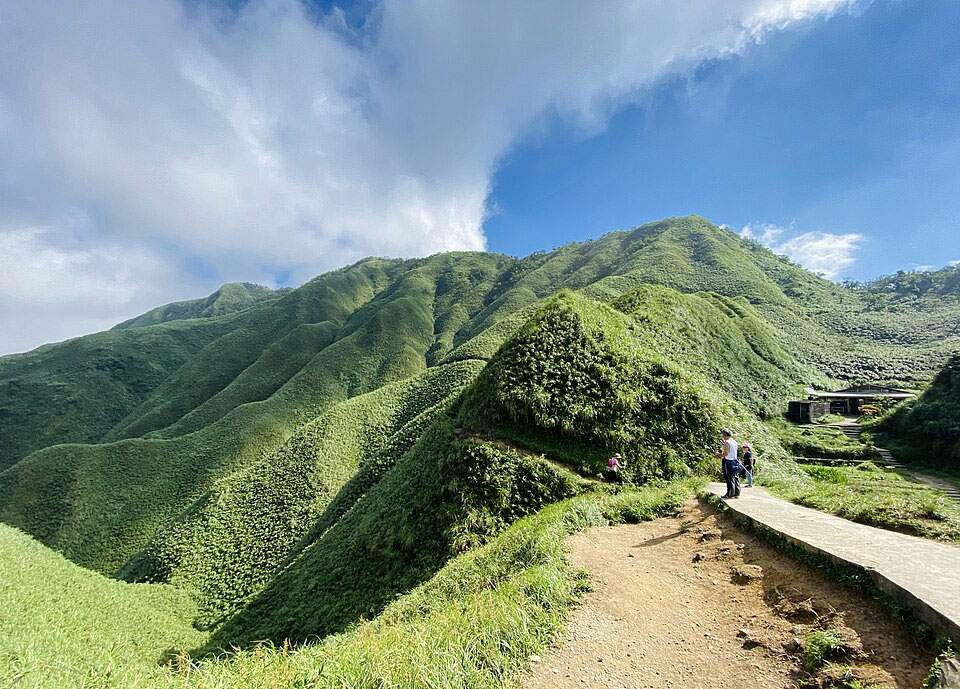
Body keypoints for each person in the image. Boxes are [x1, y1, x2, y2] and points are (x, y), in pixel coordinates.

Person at [716, 429, 740, 498]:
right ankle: (736, 493)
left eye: (723, 435)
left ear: (725, 435)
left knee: (729, 478)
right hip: (735, 461)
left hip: (728, 461)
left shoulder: (727, 442)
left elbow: (726, 454)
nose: (722, 436)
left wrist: (718, 455)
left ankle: (730, 494)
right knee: (735, 477)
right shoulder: (734, 441)